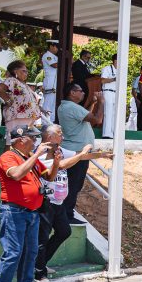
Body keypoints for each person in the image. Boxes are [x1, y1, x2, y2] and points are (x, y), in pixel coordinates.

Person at [34, 124, 110, 282]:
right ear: (49, 137)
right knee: (42, 239)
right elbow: (61, 165)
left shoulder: (60, 150)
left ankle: (41, 263)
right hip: (45, 202)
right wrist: (82, 154)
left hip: (58, 203)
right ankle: (39, 275)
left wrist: (101, 154)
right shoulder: (41, 152)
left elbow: (79, 157)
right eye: (59, 133)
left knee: (64, 231)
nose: (63, 136)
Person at [0, 125, 52, 282]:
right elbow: (16, 175)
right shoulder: (8, 156)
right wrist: (36, 155)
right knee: (13, 252)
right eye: (32, 138)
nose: (35, 141)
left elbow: (48, 175)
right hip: (14, 210)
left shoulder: (27, 157)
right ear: (20, 139)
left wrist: (56, 160)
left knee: (30, 251)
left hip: (31, 211)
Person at [57, 82, 103, 223]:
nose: (83, 93)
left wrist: (93, 104)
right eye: (80, 90)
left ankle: (65, 215)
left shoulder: (67, 106)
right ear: (72, 93)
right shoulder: (72, 107)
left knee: (71, 184)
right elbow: (97, 120)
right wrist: (101, 103)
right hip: (78, 152)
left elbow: (83, 116)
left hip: (73, 150)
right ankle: (67, 216)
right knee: (74, 185)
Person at [0, 60, 42, 132]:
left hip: (28, 119)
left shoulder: (23, 84)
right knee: (18, 141)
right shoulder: (12, 80)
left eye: (27, 71)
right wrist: (8, 100)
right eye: (24, 71)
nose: (26, 73)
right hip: (17, 119)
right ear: (15, 71)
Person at [99, 53, 118, 139]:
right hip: (108, 92)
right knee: (108, 112)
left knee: (115, 113)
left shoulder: (120, 70)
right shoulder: (107, 69)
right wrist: (114, 79)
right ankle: (106, 133)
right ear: (115, 61)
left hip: (116, 93)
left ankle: (114, 133)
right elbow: (102, 80)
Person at [40, 40, 59, 119]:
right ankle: (45, 122)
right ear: (51, 46)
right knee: (48, 103)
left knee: (53, 103)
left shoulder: (56, 57)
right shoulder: (47, 55)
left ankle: (51, 121)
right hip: (49, 82)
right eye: (56, 47)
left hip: (55, 82)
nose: (57, 49)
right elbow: (54, 65)